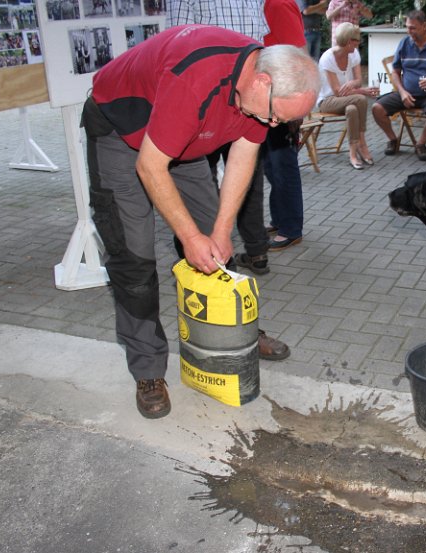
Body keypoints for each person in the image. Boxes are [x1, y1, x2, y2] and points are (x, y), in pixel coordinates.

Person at [82, 25, 319, 419]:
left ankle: (231, 336)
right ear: (261, 82)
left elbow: (244, 156)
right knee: (134, 256)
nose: (273, 125)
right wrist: (189, 236)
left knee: (215, 247)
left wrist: (220, 231)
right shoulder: (196, 79)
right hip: (121, 134)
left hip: (187, 137)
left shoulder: (260, 90)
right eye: (276, 117)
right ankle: (148, 369)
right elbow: (151, 165)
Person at [167, 0, 296, 361]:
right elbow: (178, 39)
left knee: (245, 191)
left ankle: (244, 320)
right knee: (198, 218)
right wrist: (193, 235)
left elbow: (266, 45)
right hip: (202, 100)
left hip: (251, 98)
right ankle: (206, 332)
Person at [371, 10, 426, 161]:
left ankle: (420, 144)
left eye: (413, 28)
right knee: (377, 108)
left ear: (424, 26)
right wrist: (402, 92)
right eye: (408, 27)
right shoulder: (404, 43)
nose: (409, 31)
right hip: (407, 94)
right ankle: (393, 139)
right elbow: (395, 72)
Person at [263, 0, 308, 252]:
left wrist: (297, 102)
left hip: (282, 97)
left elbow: (298, 53)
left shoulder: (277, 3)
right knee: (270, 164)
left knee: (283, 164)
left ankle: (291, 228)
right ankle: (280, 219)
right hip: (266, 96)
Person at [317, 22, 379, 169]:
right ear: (349, 41)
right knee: (361, 98)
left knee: (352, 109)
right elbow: (338, 92)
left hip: (347, 99)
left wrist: (352, 84)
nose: (359, 43)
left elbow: (358, 81)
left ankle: (353, 152)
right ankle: (362, 142)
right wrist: (363, 90)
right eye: (356, 40)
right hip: (328, 100)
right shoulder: (328, 59)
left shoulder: (353, 54)